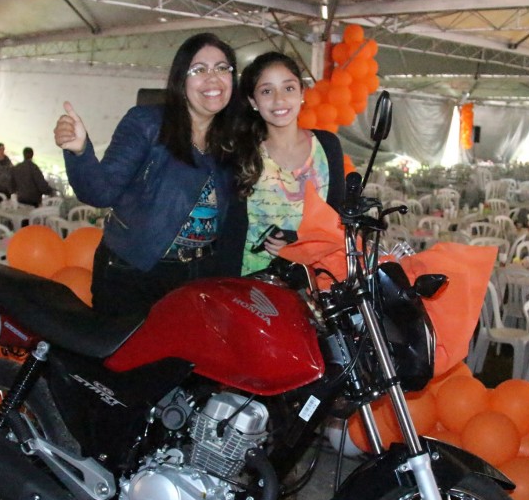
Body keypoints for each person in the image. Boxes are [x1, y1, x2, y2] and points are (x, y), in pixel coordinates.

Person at [53, 32, 241, 317]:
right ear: (180, 79)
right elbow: (100, 192)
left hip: (199, 276)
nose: (212, 78)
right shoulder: (147, 123)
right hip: (134, 272)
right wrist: (80, 151)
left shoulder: (233, 138)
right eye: (199, 69)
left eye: (222, 68)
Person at [219, 51, 346, 277]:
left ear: (302, 93)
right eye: (267, 91)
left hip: (313, 282)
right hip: (248, 282)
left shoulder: (327, 146)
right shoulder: (240, 152)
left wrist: (298, 243)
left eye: (288, 88)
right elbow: (227, 229)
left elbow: (337, 222)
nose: (279, 100)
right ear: (253, 101)